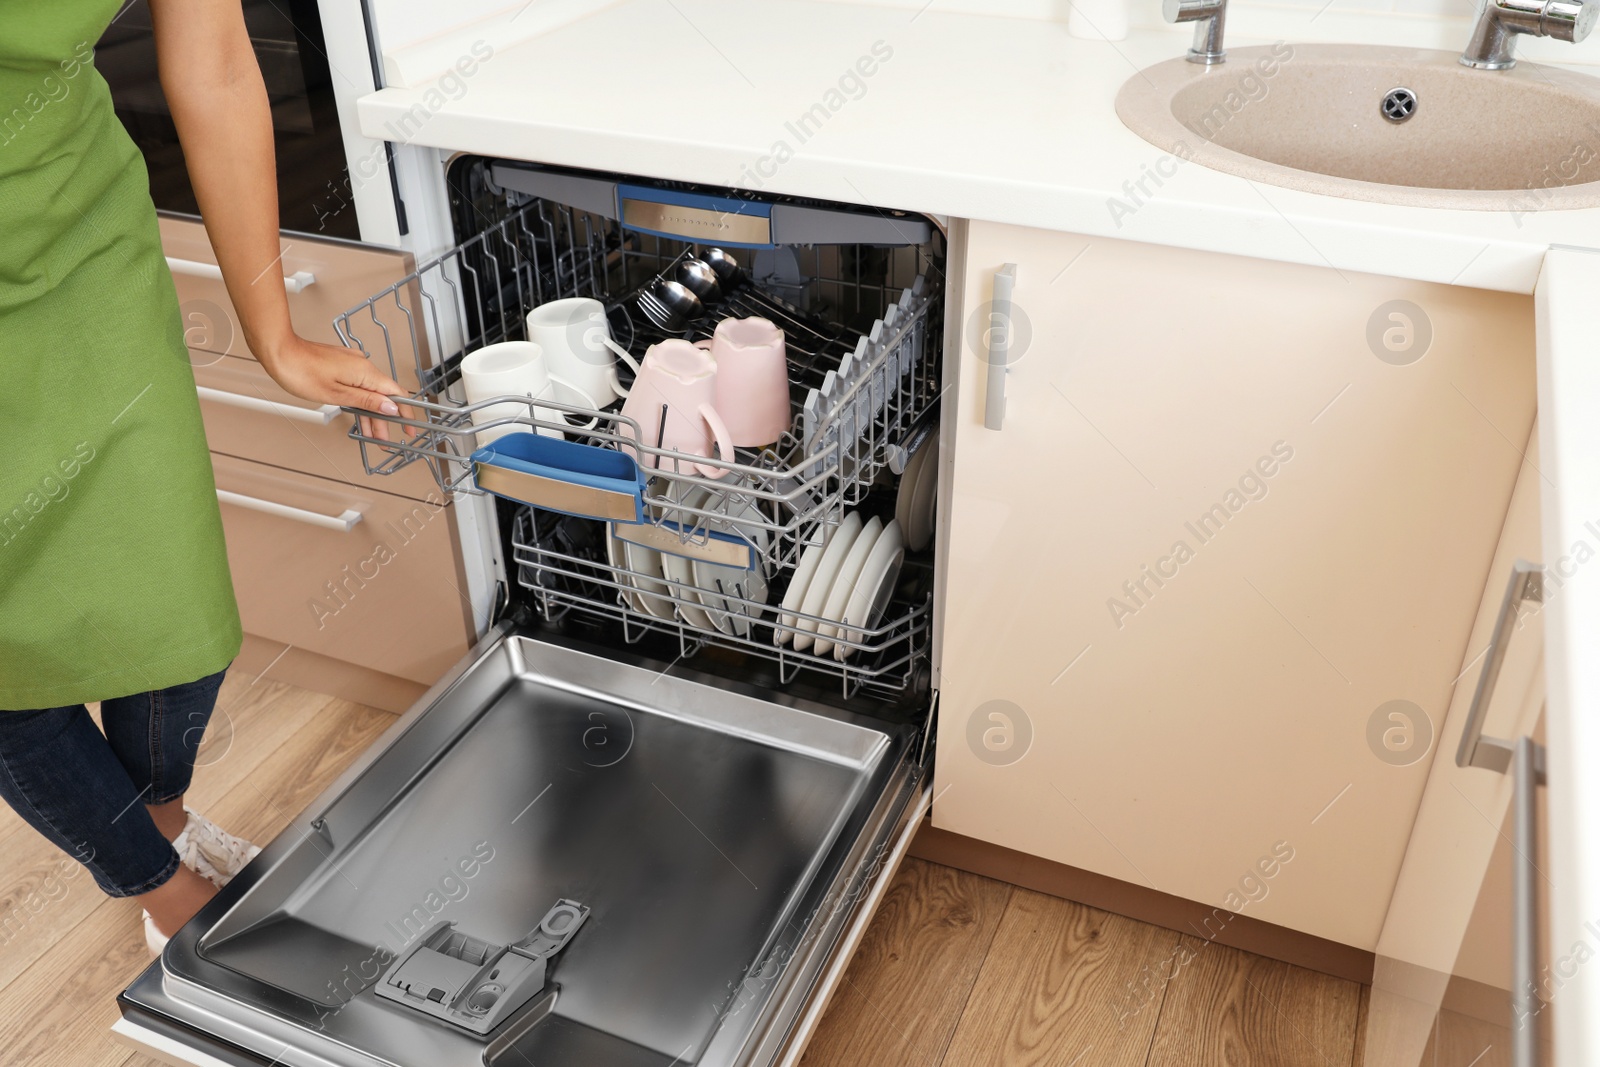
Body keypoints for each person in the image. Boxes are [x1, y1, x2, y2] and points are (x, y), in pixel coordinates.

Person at [0, 0, 408, 952]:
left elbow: (217, 58)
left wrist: (274, 334)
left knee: (176, 603)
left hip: (73, 236)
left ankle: (159, 815)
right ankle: (169, 894)